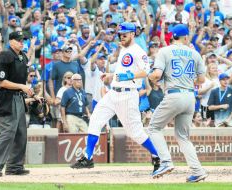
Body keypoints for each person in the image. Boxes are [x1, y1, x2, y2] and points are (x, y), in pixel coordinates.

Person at [70, 22, 160, 172]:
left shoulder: (138, 51)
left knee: (135, 132)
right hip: (113, 93)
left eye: (125, 34)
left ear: (132, 34)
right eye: (120, 35)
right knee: (95, 119)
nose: (122, 37)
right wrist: (112, 75)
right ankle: (88, 157)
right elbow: (122, 71)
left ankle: (157, 156)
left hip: (128, 95)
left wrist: (127, 75)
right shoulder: (123, 50)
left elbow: (146, 71)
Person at [148, 24, 208, 182]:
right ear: (186, 37)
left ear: (172, 37)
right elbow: (201, 80)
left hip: (174, 95)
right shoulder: (194, 53)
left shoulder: (165, 51)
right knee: (183, 137)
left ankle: (166, 162)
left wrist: (150, 77)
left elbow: (156, 75)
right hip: (190, 97)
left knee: (154, 128)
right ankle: (198, 171)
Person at [0, 31, 38, 177]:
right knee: (7, 133)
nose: (22, 42)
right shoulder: (5, 56)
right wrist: (22, 87)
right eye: (19, 40)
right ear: (11, 41)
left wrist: (31, 93)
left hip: (19, 98)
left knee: (21, 133)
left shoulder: (22, 56)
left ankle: (14, 166)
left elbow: (21, 81)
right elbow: (1, 82)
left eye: (24, 40)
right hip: (7, 99)